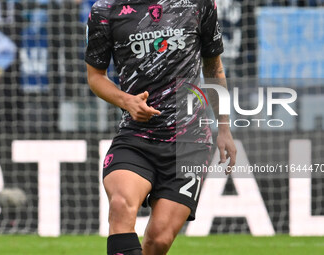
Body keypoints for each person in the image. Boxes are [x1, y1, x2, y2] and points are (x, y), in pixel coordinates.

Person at [85, 0, 236, 254]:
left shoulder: (199, 4)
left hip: (190, 141)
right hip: (135, 136)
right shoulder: (105, 10)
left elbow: (213, 68)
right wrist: (126, 101)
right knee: (121, 205)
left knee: (158, 241)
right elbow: (95, 76)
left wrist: (224, 127)